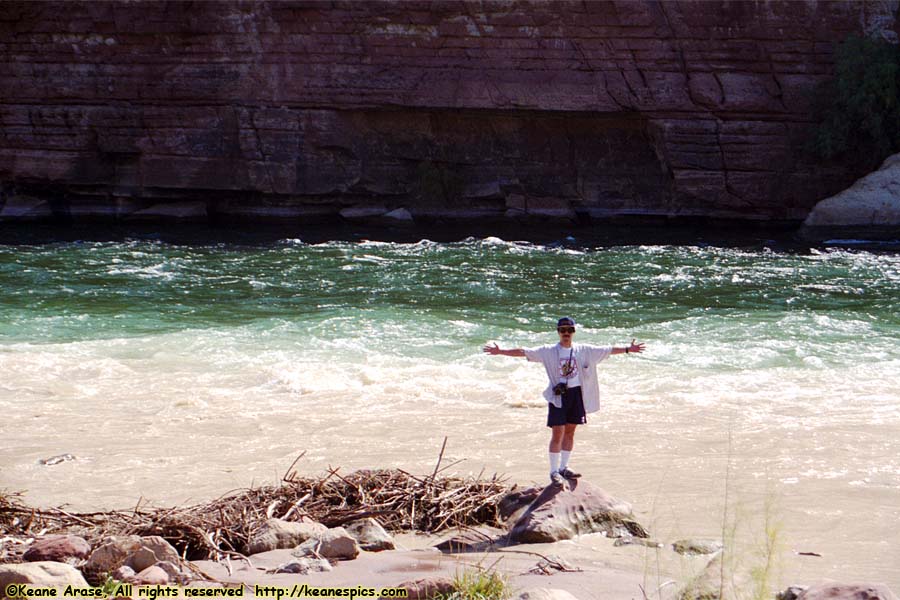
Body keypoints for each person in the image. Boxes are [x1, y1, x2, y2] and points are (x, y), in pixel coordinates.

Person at [483, 317, 645, 487]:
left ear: (574, 332)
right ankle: (553, 472)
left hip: (577, 395)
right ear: (558, 332)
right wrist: (500, 351)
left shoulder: (584, 350)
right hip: (558, 396)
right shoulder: (549, 351)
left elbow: (608, 350)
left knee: (570, 432)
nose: (566, 333)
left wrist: (628, 349)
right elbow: (524, 352)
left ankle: (564, 467)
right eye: (563, 330)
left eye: (569, 330)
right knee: (557, 433)